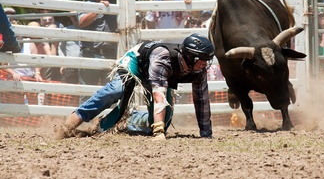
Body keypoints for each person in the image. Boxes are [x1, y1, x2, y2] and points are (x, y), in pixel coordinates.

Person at [54, 33, 215, 140]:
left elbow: (202, 100)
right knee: (117, 90)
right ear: (189, 56)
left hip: (159, 76)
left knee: (163, 120)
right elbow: (158, 92)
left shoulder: (198, 70)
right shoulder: (163, 57)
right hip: (136, 64)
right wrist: (158, 132)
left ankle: (131, 118)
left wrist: (206, 133)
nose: (204, 63)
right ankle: (72, 121)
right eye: (200, 58)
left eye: (207, 59)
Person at [77, 0, 118, 87]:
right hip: (90, 52)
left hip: (111, 53)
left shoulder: (115, 6)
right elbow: (82, 22)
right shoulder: (86, 5)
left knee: (110, 92)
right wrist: (99, 9)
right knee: (87, 92)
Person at [59, 12, 81, 84]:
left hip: (86, 65)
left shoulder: (90, 30)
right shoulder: (66, 31)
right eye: (73, 16)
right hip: (70, 65)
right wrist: (63, 63)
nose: (75, 18)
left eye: (77, 16)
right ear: (70, 18)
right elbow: (61, 48)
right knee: (70, 89)